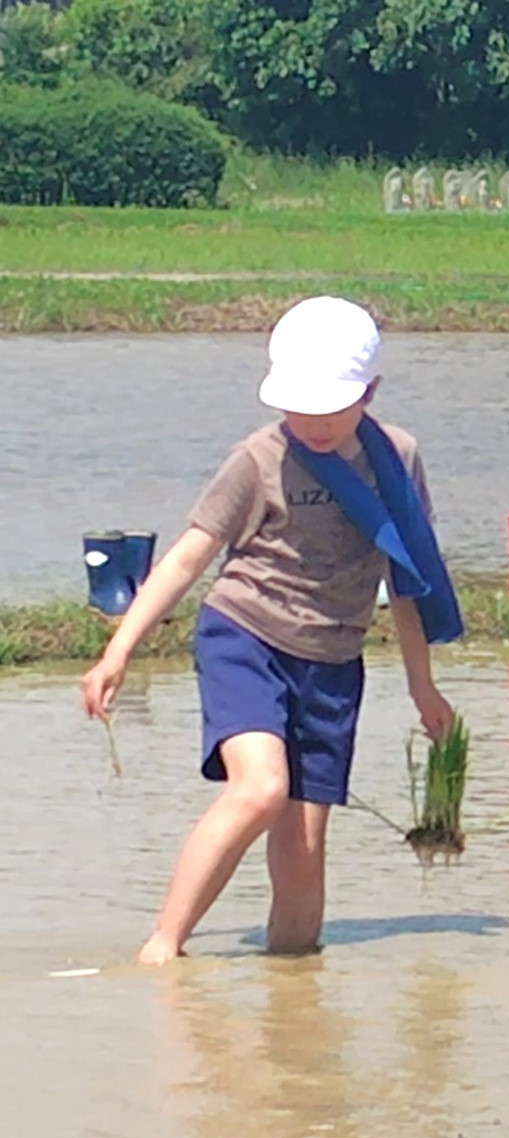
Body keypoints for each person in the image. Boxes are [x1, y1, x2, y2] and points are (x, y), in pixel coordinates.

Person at [78, 297, 460, 963]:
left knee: (304, 845)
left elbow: (405, 579)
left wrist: (424, 689)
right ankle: (163, 947)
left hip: (333, 658)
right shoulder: (257, 459)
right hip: (245, 637)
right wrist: (120, 649)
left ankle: (293, 979)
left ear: (370, 391)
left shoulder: (397, 458)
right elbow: (189, 556)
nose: (312, 420)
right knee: (259, 787)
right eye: (298, 404)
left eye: (331, 405)